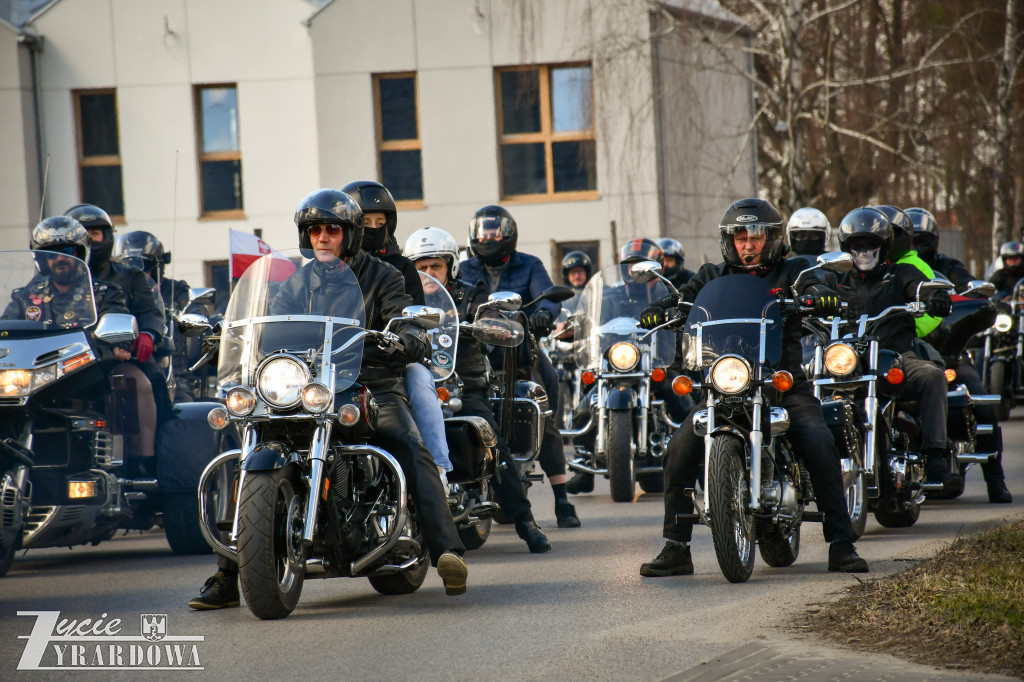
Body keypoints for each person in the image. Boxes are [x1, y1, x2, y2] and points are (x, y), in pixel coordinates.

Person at [189, 189, 468, 609]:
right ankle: (230, 571)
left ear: (350, 235)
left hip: (369, 381)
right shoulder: (297, 283)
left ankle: (447, 549)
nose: (322, 237)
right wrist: (232, 340)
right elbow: (269, 328)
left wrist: (406, 337)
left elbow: (404, 314)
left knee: (409, 442)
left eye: (331, 229)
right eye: (314, 230)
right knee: (247, 446)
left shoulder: (384, 276)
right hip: (305, 386)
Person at [636, 198, 869, 576]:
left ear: (773, 238)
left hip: (782, 384)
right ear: (729, 241)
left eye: (756, 236)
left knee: (816, 436)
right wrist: (664, 307)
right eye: (740, 236)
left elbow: (821, 283)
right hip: (724, 385)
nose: (748, 244)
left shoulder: (794, 271)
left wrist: (823, 296)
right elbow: (685, 297)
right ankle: (677, 546)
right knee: (679, 447)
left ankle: (841, 543)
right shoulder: (713, 276)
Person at [405, 226, 551, 553]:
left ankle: (526, 521)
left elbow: (488, 311)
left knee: (491, 441)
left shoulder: (470, 293)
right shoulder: (403, 298)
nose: (429, 274)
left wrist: (488, 321)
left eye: (435, 266)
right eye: (421, 267)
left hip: (461, 384)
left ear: (451, 266)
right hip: (414, 384)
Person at [459, 205, 580, 528]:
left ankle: (562, 500)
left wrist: (543, 314)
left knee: (544, 405)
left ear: (508, 234)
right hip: (474, 352)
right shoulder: (465, 268)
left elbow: (549, 296)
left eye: (494, 231)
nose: (488, 237)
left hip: (520, 351)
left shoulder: (530, 264)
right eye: (483, 232)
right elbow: (451, 298)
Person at [340, 181, 453, 486]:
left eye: (381, 222)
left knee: (419, 379)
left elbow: (412, 315)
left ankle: (438, 471)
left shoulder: (401, 267)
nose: (374, 228)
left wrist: (406, 340)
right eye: (366, 222)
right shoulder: (331, 267)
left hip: (391, 358)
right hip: (341, 360)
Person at [831, 207, 954, 489]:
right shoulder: (836, 279)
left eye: (870, 244)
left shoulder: (900, 272)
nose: (863, 251)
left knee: (932, 375)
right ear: (846, 247)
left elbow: (920, 285)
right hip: (849, 359)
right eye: (856, 245)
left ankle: (936, 456)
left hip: (897, 356)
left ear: (884, 245)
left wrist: (933, 294)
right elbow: (812, 291)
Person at [906, 209, 1012, 502]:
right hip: (910, 352)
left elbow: (972, 290)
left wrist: (980, 299)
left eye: (921, 239)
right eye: (909, 239)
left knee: (982, 403)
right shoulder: (895, 271)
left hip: (948, 351)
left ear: (934, 240)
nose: (915, 245)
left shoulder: (947, 266)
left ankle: (996, 480)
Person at [60, 205, 163, 475]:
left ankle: (142, 461)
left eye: (95, 233)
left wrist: (147, 334)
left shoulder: (127, 277)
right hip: (60, 363)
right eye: (83, 234)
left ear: (107, 236)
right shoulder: (46, 284)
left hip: (116, 356)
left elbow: (150, 312)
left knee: (135, 384)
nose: (90, 239)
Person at [13, 217, 132, 345]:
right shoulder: (25, 298)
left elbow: (116, 323)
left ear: (79, 253)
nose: (59, 258)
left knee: (127, 366)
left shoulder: (105, 294)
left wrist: (119, 344)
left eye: (67, 251)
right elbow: (6, 327)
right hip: (36, 361)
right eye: (51, 252)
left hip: (88, 361)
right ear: (42, 258)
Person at [117, 231, 199, 402]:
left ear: (157, 266)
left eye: (145, 266)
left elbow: (193, 305)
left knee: (182, 406)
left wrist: (191, 314)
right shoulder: (117, 291)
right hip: (124, 362)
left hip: (172, 368)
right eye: (129, 264)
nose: (138, 271)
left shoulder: (175, 289)